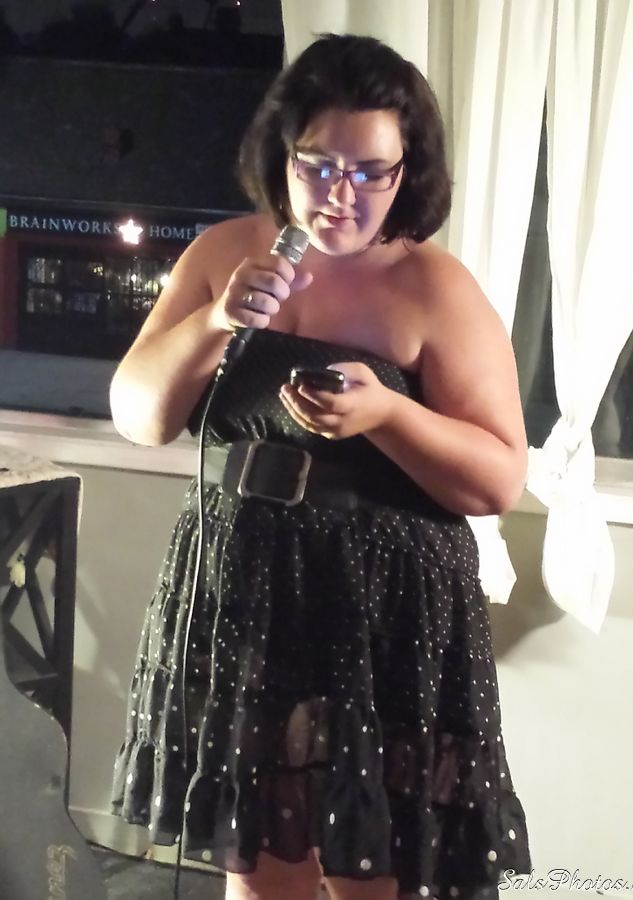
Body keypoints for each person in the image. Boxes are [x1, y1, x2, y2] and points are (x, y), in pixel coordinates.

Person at [110, 33, 531, 900]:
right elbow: (141, 418)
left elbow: (497, 480)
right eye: (319, 166)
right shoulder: (224, 253)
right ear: (282, 154)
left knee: (369, 871)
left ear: (406, 171)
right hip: (242, 591)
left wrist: (388, 414)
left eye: (371, 172)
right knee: (257, 863)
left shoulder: (434, 287)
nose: (342, 195)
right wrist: (215, 322)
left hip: (381, 608)